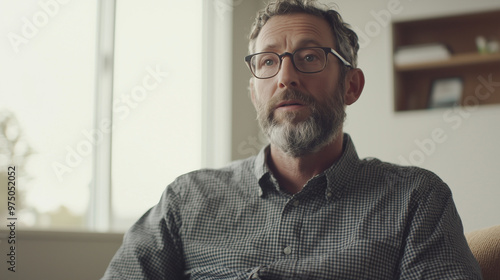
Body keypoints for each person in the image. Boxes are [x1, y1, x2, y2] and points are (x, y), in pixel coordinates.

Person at [102, 0, 482, 279]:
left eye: (310, 56)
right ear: (255, 92)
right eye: (268, 61)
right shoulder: (185, 200)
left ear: (351, 85)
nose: (286, 77)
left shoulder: (416, 199)